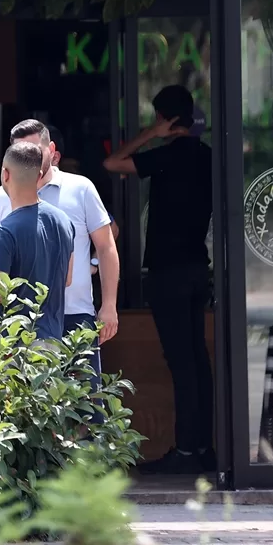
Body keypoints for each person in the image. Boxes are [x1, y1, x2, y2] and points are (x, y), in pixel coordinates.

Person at [104, 85, 214, 474]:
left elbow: (112, 163)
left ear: (164, 118)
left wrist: (152, 134)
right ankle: (204, 447)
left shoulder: (167, 155)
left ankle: (185, 451)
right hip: (198, 268)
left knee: (182, 363)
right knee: (197, 360)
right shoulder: (206, 155)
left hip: (170, 272)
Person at [0, 120, 120, 386]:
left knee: (85, 402)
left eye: (34, 150)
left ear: (52, 150)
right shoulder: (0, 197)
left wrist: (109, 305)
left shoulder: (80, 188)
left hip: (77, 314)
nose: (28, 158)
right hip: (20, 323)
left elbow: (106, 246)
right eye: (20, 151)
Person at [0, 141, 75, 342]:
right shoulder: (64, 221)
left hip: (15, 346)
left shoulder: (3, 231)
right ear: (39, 176)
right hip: (53, 342)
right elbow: (67, 279)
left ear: (5, 174)